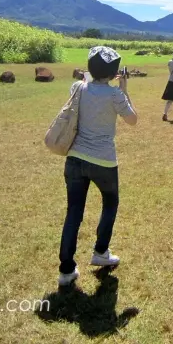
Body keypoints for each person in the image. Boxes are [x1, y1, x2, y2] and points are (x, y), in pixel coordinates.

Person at [57, 46, 138, 287]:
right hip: (103, 161)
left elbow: (86, 85)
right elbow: (132, 120)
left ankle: (66, 269)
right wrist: (123, 89)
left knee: (74, 212)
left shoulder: (77, 88)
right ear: (114, 72)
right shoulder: (115, 95)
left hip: (74, 158)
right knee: (110, 203)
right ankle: (101, 251)